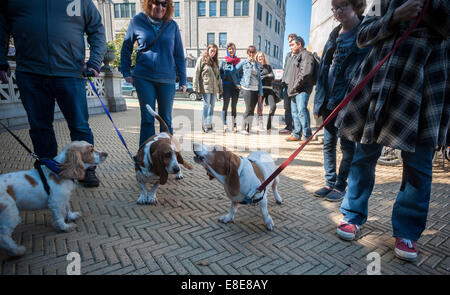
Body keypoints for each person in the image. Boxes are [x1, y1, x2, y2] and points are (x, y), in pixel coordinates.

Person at [334, 0, 449, 262]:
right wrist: (395, 16)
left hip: (427, 78)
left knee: (419, 164)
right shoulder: (383, 2)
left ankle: (407, 231)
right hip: (382, 80)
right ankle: (352, 214)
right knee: (364, 154)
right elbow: (362, 36)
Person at [0, 0, 106, 187]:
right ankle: (47, 170)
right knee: (40, 128)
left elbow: (97, 30)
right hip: (31, 74)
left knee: (80, 126)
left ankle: (87, 169)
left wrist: (95, 62)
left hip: (71, 73)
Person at [313, 0, 370, 202]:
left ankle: (340, 185)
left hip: (349, 103)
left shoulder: (365, 31)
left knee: (347, 148)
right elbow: (323, 71)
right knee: (328, 144)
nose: (337, 12)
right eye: (334, 8)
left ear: (355, 6)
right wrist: (319, 102)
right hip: (329, 100)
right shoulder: (334, 34)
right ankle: (330, 182)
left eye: (342, 6)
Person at [120, 0, 186, 146]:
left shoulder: (172, 25)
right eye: (157, 3)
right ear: (149, 3)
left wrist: (183, 80)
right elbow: (126, 47)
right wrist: (125, 71)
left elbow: (179, 55)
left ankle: (167, 154)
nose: (160, 7)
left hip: (167, 79)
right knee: (147, 119)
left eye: (164, 5)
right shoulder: (137, 21)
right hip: (144, 77)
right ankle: (145, 156)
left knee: (166, 119)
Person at [285, 36, 315, 143]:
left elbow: (306, 73)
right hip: (294, 90)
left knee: (302, 111)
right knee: (295, 112)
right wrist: (291, 88)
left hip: (302, 89)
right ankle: (296, 134)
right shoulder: (296, 56)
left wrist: (295, 86)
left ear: (299, 44)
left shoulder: (306, 55)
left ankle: (307, 136)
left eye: (292, 45)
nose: (291, 47)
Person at [193, 43, 223, 133]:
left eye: (215, 51)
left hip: (214, 88)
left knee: (212, 106)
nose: (213, 53)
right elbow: (196, 72)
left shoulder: (216, 62)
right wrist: (195, 86)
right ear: (208, 50)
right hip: (205, 87)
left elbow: (218, 77)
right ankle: (204, 125)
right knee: (206, 105)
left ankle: (209, 125)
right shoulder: (202, 59)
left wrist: (220, 88)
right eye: (211, 51)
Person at [235, 46, 263, 135]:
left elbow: (259, 80)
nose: (251, 54)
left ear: (255, 53)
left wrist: (260, 92)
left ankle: (249, 128)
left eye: (253, 52)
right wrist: (237, 83)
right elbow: (234, 71)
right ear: (248, 53)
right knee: (248, 109)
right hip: (247, 88)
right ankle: (243, 128)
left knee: (252, 110)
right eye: (250, 52)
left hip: (256, 89)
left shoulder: (257, 64)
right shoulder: (244, 62)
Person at [219, 42, 241, 133]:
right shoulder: (223, 62)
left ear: (235, 50)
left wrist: (240, 83)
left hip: (235, 87)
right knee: (225, 105)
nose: (231, 50)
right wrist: (223, 79)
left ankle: (234, 125)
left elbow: (241, 73)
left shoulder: (239, 61)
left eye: (233, 49)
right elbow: (220, 73)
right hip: (226, 86)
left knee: (234, 106)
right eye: (229, 49)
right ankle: (224, 124)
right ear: (227, 50)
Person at [256, 52, 280, 130]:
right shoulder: (256, 66)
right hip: (260, 89)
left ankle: (269, 125)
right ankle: (260, 124)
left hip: (269, 89)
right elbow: (258, 78)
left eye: (262, 56)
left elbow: (273, 76)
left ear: (264, 57)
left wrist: (264, 76)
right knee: (260, 107)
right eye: (259, 56)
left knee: (273, 106)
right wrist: (267, 75)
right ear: (257, 58)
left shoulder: (268, 67)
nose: (260, 57)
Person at [279, 33, 297, 135]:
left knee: (295, 108)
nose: (290, 43)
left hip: (294, 86)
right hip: (285, 85)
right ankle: (288, 127)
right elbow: (285, 68)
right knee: (287, 107)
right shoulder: (288, 55)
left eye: (292, 41)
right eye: (289, 41)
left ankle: (296, 128)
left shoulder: (300, 55)